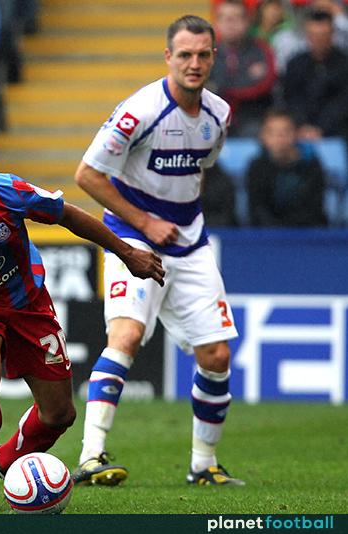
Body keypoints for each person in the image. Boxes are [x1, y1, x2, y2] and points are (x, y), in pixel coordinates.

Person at [0, 130, 165, 511]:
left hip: (29, 303)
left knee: (60, 414)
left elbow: (67, 215)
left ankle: (4, 462)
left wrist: (126, 252)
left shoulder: (5, 192)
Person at [71, 15, 244, 487]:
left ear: (213, 57)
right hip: (133, 236)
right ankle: (90, 456)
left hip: (189, 241)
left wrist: (176, 221)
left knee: (216, 356)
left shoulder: (219, 115)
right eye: (184, 54)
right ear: (168, 56)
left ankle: (204, 464)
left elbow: (198, 170)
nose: (194, 63)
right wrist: (145, 222)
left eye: (202, 54)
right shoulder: (140, 111)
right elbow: (87, 175)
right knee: (125, 337)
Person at [246, 108, 327, 227]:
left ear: (296, 134)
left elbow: (314, 208)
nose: (280, 138)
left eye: (285, 131)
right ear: (263, 137)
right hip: (267, 235)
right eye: (272, 133)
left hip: (306, 233)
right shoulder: (257, 167)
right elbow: (257, 209)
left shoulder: (312, 165)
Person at [282, 8, 348, 146]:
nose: (318, 40)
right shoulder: (295, 63)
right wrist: (302, 125)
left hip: (338, 127)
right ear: (307, 35)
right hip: (300, 128)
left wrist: (320, 128)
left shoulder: (346, 64)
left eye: (323, 35)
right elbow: (291, 98)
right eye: (313, 35)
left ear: (332, 35)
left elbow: (344, 102)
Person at [208, 0, 276, 137]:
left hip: (253, 118)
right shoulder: (205, 52)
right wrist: (244, 78)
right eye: (225, 18)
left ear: (247, 21)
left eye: (236, 18)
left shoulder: (262, 49)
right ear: (216, 22)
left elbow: (264, 84)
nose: (230, 23)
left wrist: (221, 88)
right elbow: (202, 88)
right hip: (213, 117)